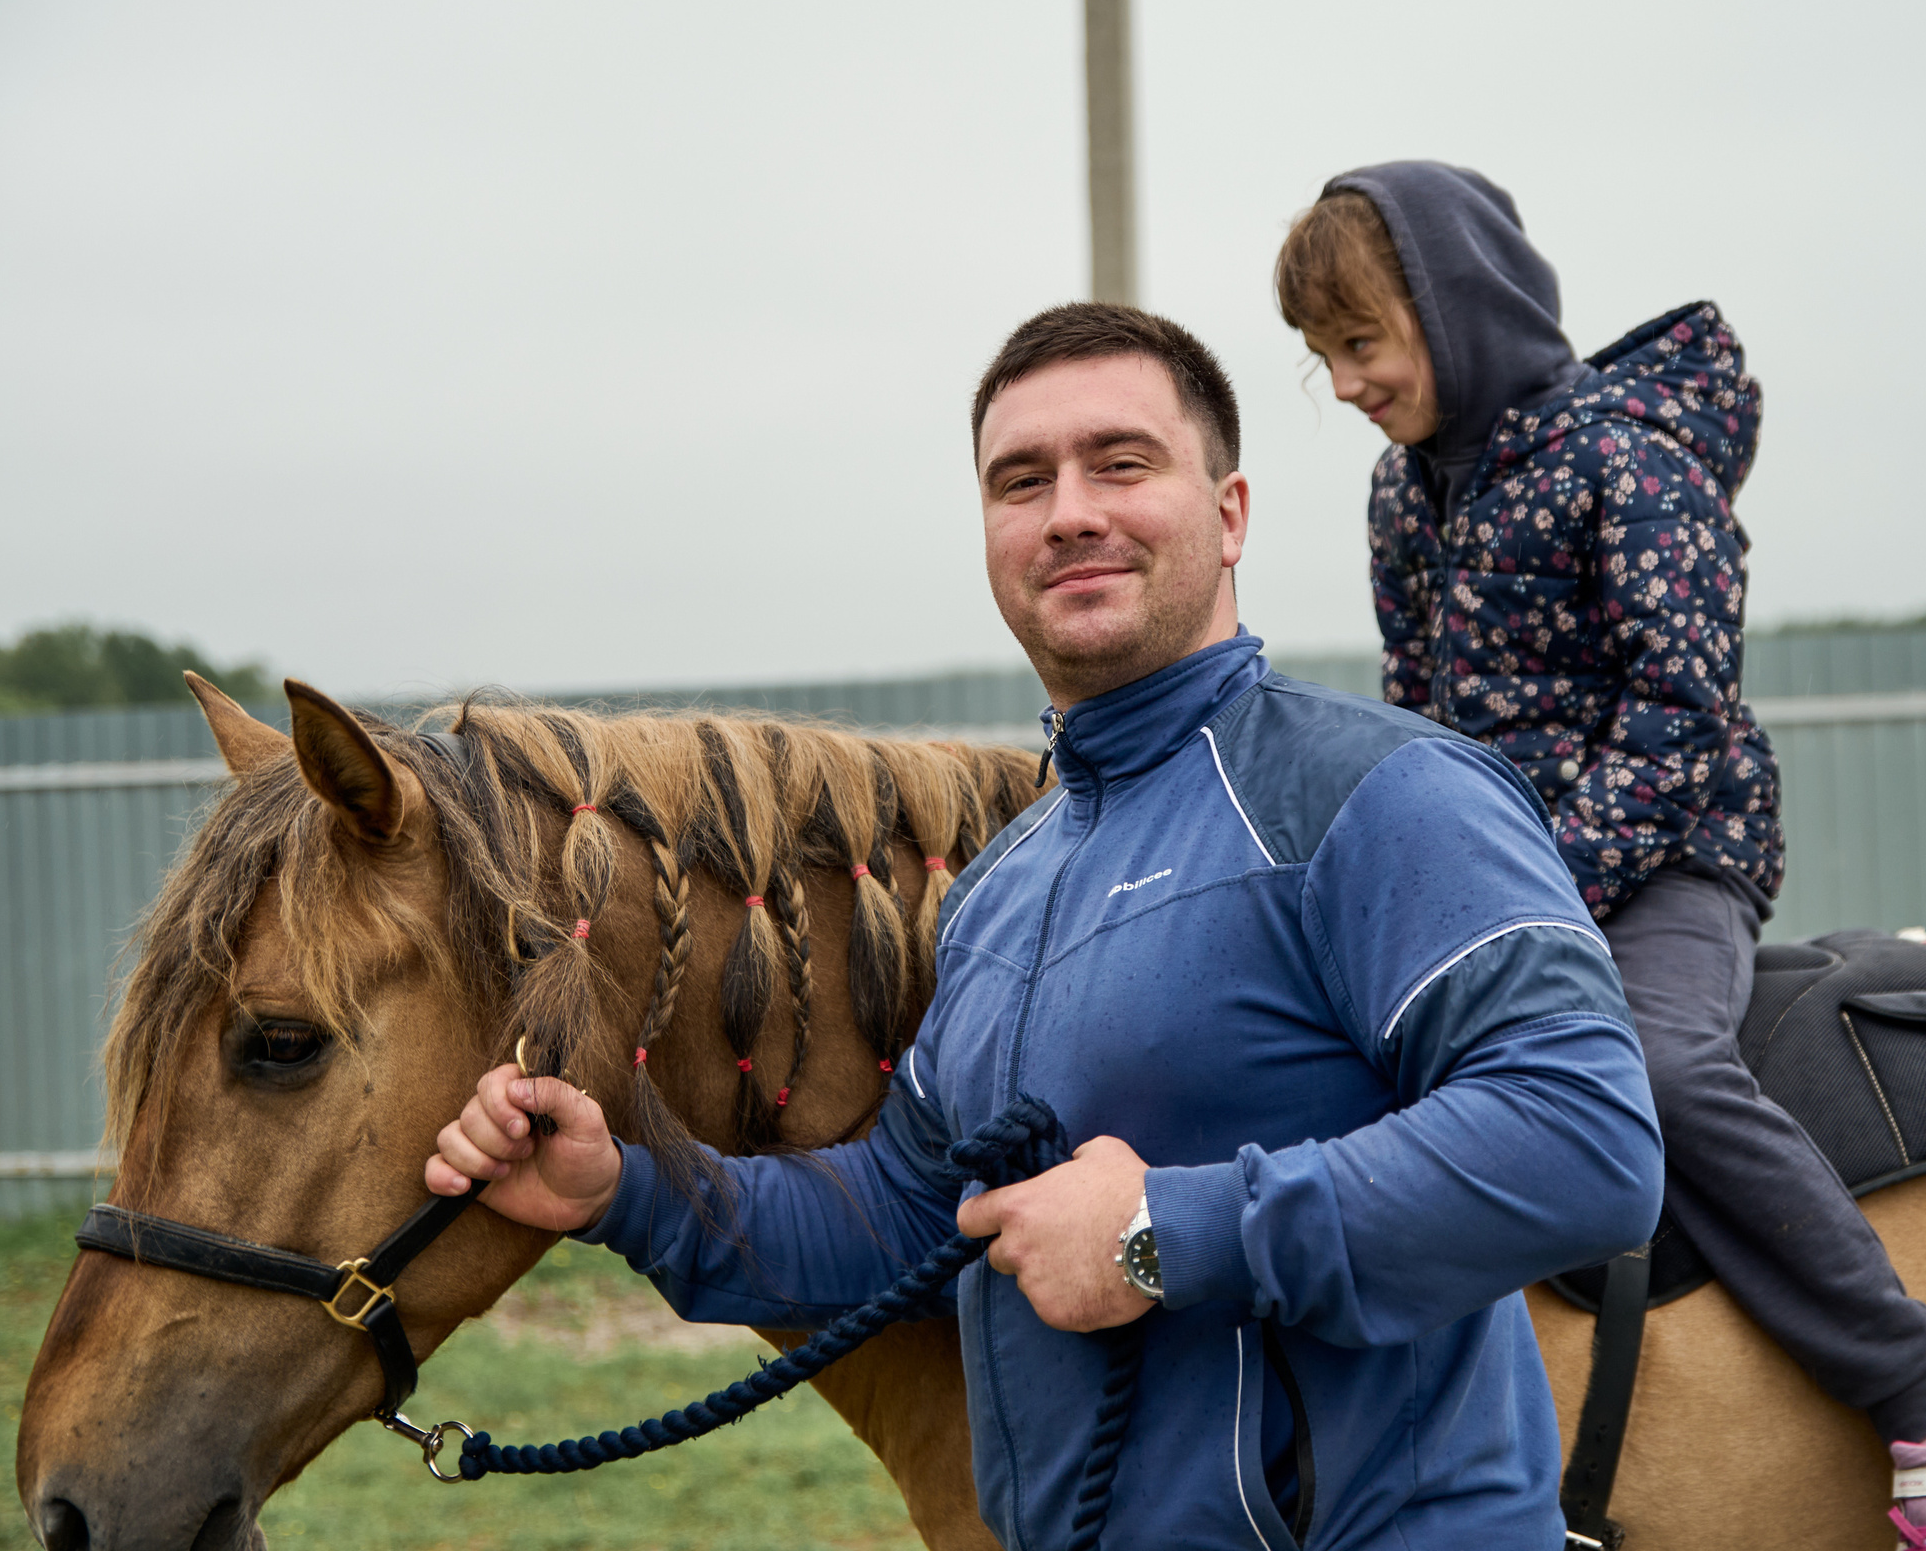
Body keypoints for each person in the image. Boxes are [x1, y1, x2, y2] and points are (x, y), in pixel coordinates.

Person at [427, 302, 1665, 1549]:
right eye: (1021, 481)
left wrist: (1157, 1235)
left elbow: (1583, 1139)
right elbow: (908, 1218)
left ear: (1229, 514)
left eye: (1120, 463)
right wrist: (624, 1192)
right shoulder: (1000, 891)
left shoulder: (1381, 794)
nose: (1069, 511)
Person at [1273, 161, 1926, 1551]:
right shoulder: (1402, 493)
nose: (1342, 385)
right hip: (1506, 875)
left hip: (1676, 850)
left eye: (1361, 342)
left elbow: (1679, 715)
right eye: (1319, 356)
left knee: (1653, 1062)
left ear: (1452, 311)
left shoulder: (1631, 460)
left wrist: (1544, 890)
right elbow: (1419, 713)